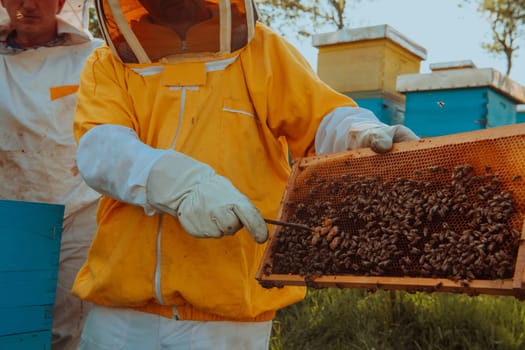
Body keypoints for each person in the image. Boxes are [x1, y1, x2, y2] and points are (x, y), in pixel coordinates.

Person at [72, 0, 419, 349]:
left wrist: (359, 133)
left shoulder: (262, 52)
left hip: (229, 320)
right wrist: (183, 185)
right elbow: (101, 148)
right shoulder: (108, 63)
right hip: (121, 314)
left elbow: (322, 119)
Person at [0, 0, 103, 349]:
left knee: (67, 327)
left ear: (60, 2)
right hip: (12, 210)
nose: (28, 5)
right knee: (13, 324)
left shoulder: (95, 56)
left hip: (79, 208)